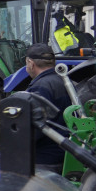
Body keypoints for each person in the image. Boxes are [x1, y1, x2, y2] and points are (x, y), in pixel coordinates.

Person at [23, 43, 72, 175]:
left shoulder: (40, 87)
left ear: (31, 63)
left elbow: (36, 127)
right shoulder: (64, 81)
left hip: (45, 160)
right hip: (65, 154)